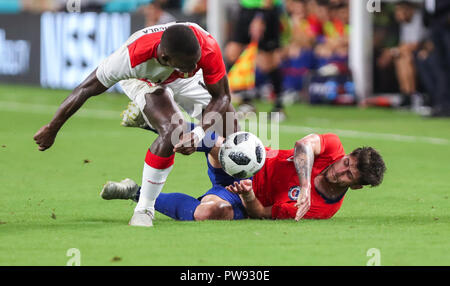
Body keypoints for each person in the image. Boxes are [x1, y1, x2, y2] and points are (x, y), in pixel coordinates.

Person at [33, 22, 238, 227]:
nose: (195, 67)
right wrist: (52, 128)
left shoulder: (205, 48)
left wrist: (200, 132)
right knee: (174, 130)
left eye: (196, 62)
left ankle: (237, 186)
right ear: (165, 58)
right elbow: (84, 89)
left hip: (181, 76)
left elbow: (221, 98)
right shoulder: (130, 59)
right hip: (144, 79)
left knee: (231, 128)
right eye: (190, 64)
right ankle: (144, 208)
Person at [101, 132, 386, 221]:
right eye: (345, 162)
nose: (340, 170)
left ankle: (135, 193)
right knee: (220, 143)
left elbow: (262, 212)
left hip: (243, 197)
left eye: (349, 175)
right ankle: (165, 125)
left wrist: (247, 193)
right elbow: (303, 146)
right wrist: (304, 185)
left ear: (357, 187)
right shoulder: (332, 146)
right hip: (251, 162)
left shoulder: (321, 210)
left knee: (209, 212)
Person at [224, 0, 286, 121]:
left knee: (267, 62)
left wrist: (261, 16)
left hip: (265, 9)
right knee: (232, 53)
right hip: (246, 8)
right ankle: (246, 101)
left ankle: (279, 106)